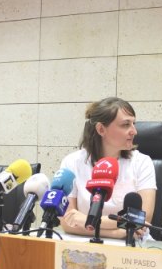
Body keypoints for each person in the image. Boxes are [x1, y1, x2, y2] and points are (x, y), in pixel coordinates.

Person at [59, 97, 156, 238]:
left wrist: (85, 220)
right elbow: (67, 222)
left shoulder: (142, 162)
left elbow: (142, 220)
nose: (134, 131)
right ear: (101, 129)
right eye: (125, 125)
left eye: (133, 124)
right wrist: (118, 233)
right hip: (86, 243)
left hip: (133, 246)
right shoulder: (72, 162)